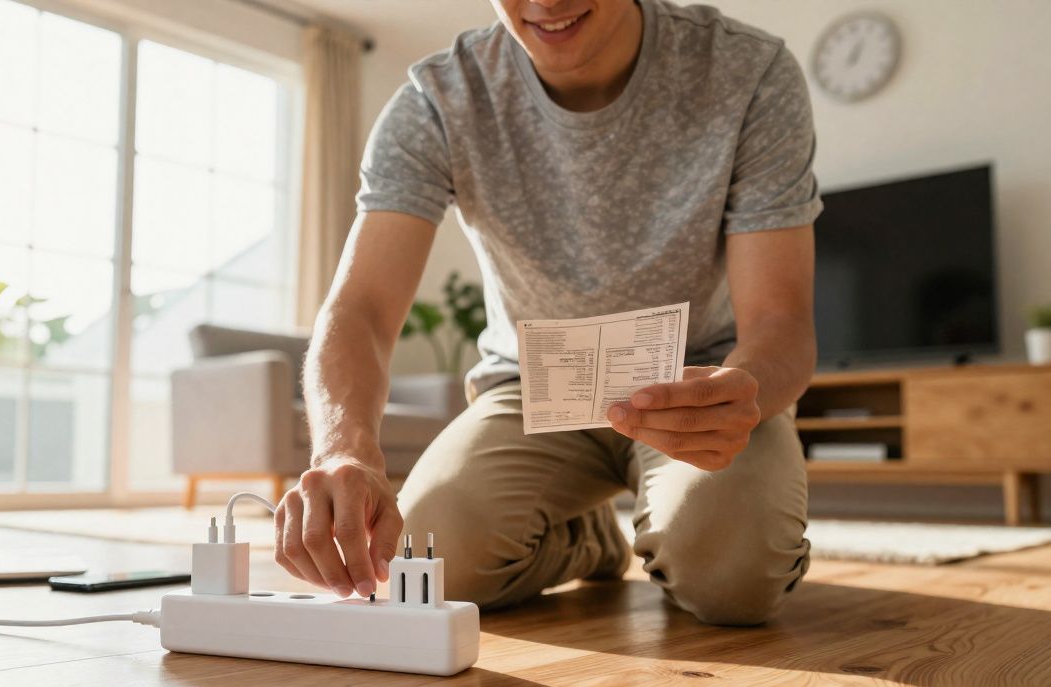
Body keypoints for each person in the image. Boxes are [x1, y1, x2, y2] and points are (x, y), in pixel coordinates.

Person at [273, 0, 820, 626]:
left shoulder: (748, 72)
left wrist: (741, 390)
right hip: (529, 392)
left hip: (702, 384)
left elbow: (780, 322)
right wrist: (342, 452)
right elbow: (362, 308)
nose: (546, 2)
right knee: (422, 567)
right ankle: (586, 537)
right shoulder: (437, 100)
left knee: (731, 580)